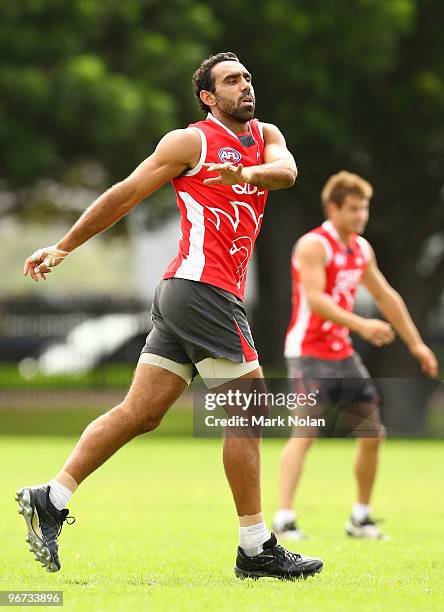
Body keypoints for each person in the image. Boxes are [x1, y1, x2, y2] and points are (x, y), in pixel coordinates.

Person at [17, 52, 323, 580]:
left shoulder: (266, 135)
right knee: (248, 407)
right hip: (200, 288)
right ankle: (255, 548)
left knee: (142, 413)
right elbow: (127, 194)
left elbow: (288, 173)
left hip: (190, 292)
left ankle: (51, 495)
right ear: (208, 97)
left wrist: (243, 171)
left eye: (248, 77)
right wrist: (65, 246)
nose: (245, 86)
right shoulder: (190, 142)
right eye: (231, 81)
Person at [273, 171, 438, 540]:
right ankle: (284, 519)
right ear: (332, 207)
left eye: (364, 208)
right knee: (306, 432)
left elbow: (386, 296)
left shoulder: (361, 249)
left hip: (341, 353)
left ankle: (360, 518)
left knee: (372, 433)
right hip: (308, 353)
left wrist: (416, 344)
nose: (361, 215)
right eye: (353, 208)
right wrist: (362, 326)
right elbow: (316, 299)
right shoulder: (313, 246)